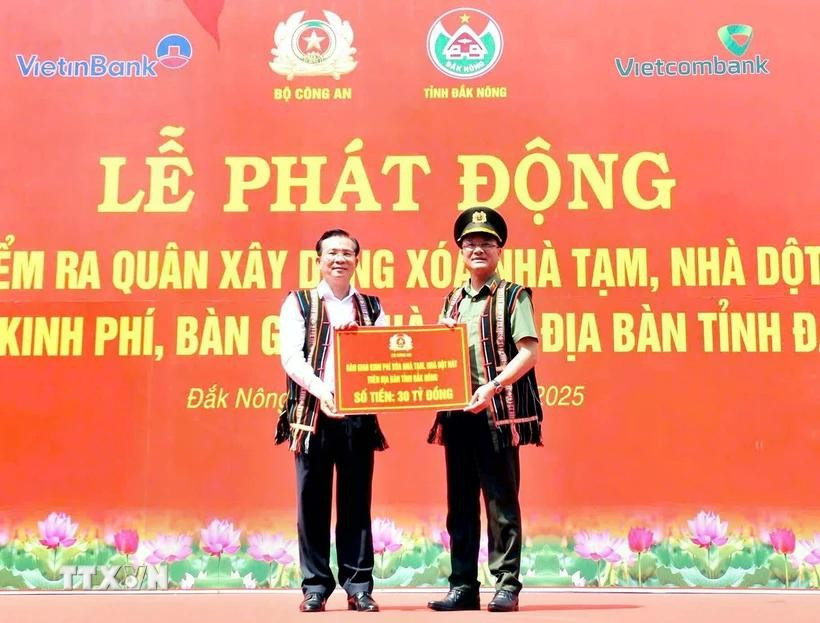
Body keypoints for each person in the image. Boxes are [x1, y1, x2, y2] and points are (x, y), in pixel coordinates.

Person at [427, 207, 543, 613]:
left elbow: (528, 352)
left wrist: (493, 387)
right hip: (458, 414)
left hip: (495, 413)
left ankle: (507, 584)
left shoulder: (514, 295)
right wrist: (437, 338)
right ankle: (463, 585)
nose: (478, 249)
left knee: (500, 503)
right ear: (460, 251)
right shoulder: (453, 300)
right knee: (459, 505)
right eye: (470, 243)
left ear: (499, 250)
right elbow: (440, 356)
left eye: (486, 243)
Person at [276, 229, 386, 613]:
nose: (339, 259)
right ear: (319, 260)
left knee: (357, 503)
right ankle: (315, 587)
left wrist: (364, 341)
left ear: (357, 260)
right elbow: (291, 358)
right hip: (312, 416)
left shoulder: (372, 307)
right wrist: (324, 392)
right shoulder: (299, 303)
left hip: (357, 417)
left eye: (347, 253)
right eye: (332, 253)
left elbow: (384, 357)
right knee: (312, 503)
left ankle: (359, 586)